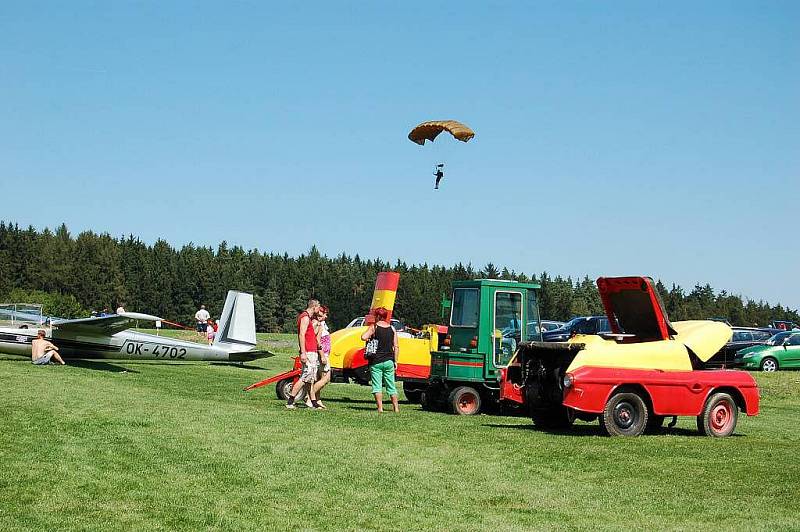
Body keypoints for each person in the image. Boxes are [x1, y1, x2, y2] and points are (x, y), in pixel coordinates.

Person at [361, 307, 399, 413]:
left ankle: (380, 408)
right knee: (391, 385)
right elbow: (396, 346)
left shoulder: (374, 327)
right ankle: (396, 408)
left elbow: (363, 337)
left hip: (376, 361)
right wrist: (395, 361)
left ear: (377, 316)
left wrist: (370, 337)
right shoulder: (392, 328)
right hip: (389, 361)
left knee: (377, 386)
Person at [286, 299, 322, 409]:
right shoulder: (305, 318)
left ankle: (314, 403)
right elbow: (301, 335)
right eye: (318, 307)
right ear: (314, 307)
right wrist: (303, 352)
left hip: (311, 351)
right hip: (308, 352)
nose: (319, 310)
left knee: (309, 379)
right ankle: (290, 401)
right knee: (305, 377)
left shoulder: (308, 318)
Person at [310, 305, 332, 409]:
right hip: (322, 356)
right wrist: (322, 356)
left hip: (325, 354)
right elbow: (317, 341)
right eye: (325, 314)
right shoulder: (318, 325)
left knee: (319, 378)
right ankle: (310, 396)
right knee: (326, 379)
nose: (326, 316)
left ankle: (318, 400)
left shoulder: (322, 324)